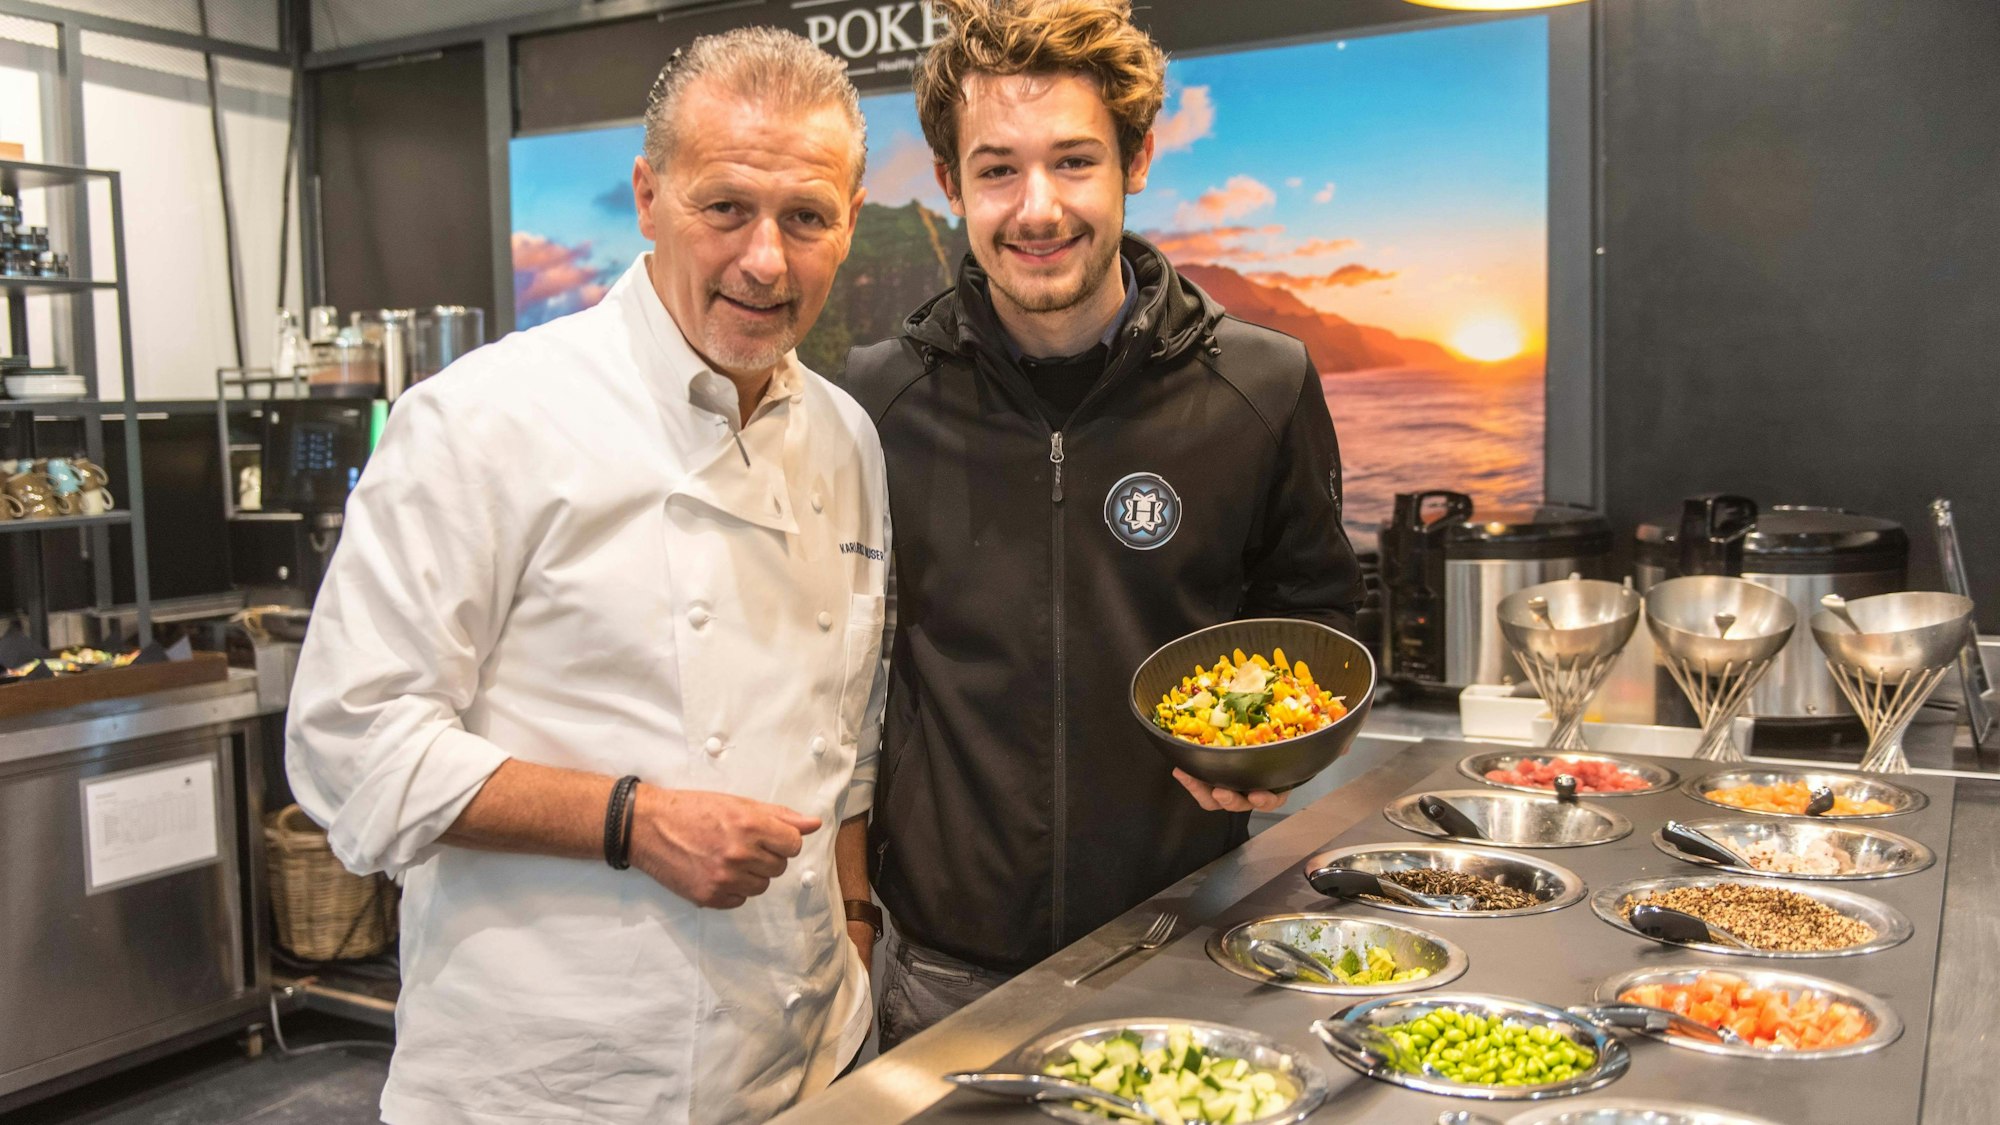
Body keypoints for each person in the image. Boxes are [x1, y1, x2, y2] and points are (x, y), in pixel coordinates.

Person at [286, 27, 891, 1125]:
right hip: (554, 1083)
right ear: (649, 195)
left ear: (848, 222)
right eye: (726, 208)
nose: (766, 259)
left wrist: (853, 922)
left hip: (805, 1060)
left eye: (805, 217)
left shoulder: (845, 437)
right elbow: (348, 744)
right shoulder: (483, 420)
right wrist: (630, 818)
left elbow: (846, 733)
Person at [843, 0, 1364, 1050]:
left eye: (1073, 162)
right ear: (949, 185)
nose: (1036, 208)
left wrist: (1266, 762)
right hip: (942, 975)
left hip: (1186, 947)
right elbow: (839, 681)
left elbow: (1314, 625)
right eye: (995, 170)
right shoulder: (876, 400)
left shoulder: (1261, 383)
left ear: (1136, 160)